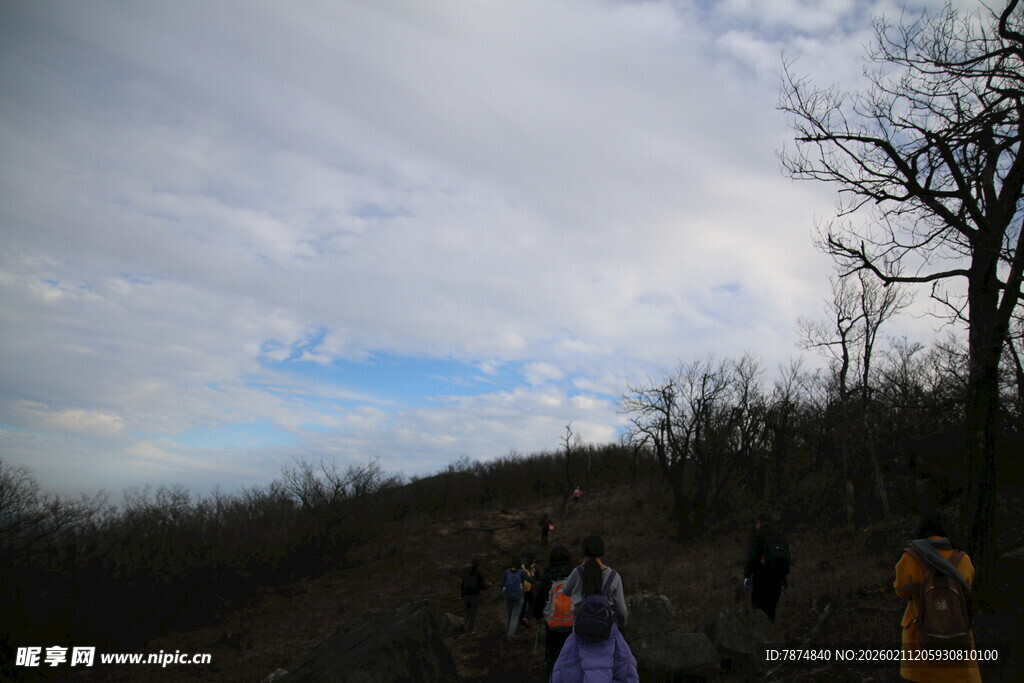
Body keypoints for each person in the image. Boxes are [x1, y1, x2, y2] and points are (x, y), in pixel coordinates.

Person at [894, 513, 981, 683]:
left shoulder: (910, 557)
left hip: (920, 644)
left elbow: (901, 591)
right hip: (957, 641)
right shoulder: (963, 559)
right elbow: (968, 588)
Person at [552, 535, 638, 682]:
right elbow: (622, 610)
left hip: (581, 630)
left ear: (583, 552)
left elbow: (565, 591)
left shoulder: (577, 572)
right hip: (607, 631)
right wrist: (621, 626)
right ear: (602, 552)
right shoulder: (613, 576)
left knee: (573, 669)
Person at [533, 545, 575, 678]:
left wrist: (537, 615)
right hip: (572, 623)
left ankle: (553, 676)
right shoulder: (575, 573)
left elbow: (540, 598)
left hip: (553, 623)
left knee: (553, 654)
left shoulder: (548, 575)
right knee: (572, 653)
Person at [743, 512, 790, 622]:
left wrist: (747, 576)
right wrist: (783, 577)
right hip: (777, 579)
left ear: (759, 523)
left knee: (758, 609)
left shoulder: (757, 535)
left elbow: (752, 557)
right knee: (770, 610)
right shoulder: (779, 537)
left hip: (761, 576)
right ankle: (771, 628)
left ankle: (761, 631)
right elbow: (786, 558)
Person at [501, 556, 528, 640]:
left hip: (507, 596)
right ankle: (511, 635)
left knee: (508, 616)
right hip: (518, 596)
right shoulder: (521, 572)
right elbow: (529, 580)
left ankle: (507, 632)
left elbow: (502, 583)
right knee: (514, 617)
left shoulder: (507, 572)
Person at [459, 558, 487, 634]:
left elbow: (462, 584)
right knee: (473, 614)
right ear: (479, 566)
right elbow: (483, 587)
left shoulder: (467, 573)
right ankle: (470, 630)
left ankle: (464, 622)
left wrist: (462, 595)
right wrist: (488, 585)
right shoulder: (479, 574)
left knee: (467, 611)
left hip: (466, 595)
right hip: (475, 596)